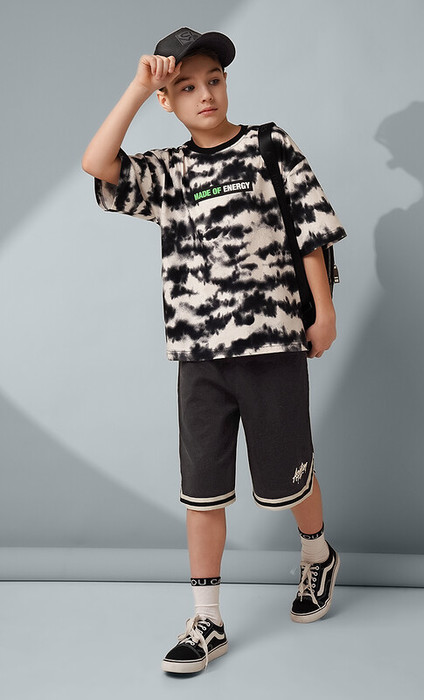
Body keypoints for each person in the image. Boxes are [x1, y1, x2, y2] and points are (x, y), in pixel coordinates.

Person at [82, 26, 346, 675]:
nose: (204, 95)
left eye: (214, 80)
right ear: (167, 101)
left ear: (227, 84)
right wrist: (138, 88)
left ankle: (317, 553)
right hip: (199, 355)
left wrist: (323, 311)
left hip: (272, 343)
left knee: (289, 476)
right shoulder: (169, 172)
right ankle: (207, 620)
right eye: (185, 87)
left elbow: (309, 230)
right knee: (201, 492)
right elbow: (97, 163)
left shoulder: (268, 145)